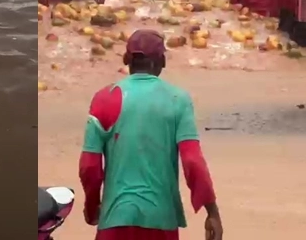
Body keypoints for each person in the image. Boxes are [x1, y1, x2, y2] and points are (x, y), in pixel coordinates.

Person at [78, 29, 223, 240]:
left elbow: (89, 166)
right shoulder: (177, 99)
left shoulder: (103, 98)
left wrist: (92, 208)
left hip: (114, 219)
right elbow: (192, 161)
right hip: (161, 221)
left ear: (127, 60)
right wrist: (212, 213)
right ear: (162, 62)